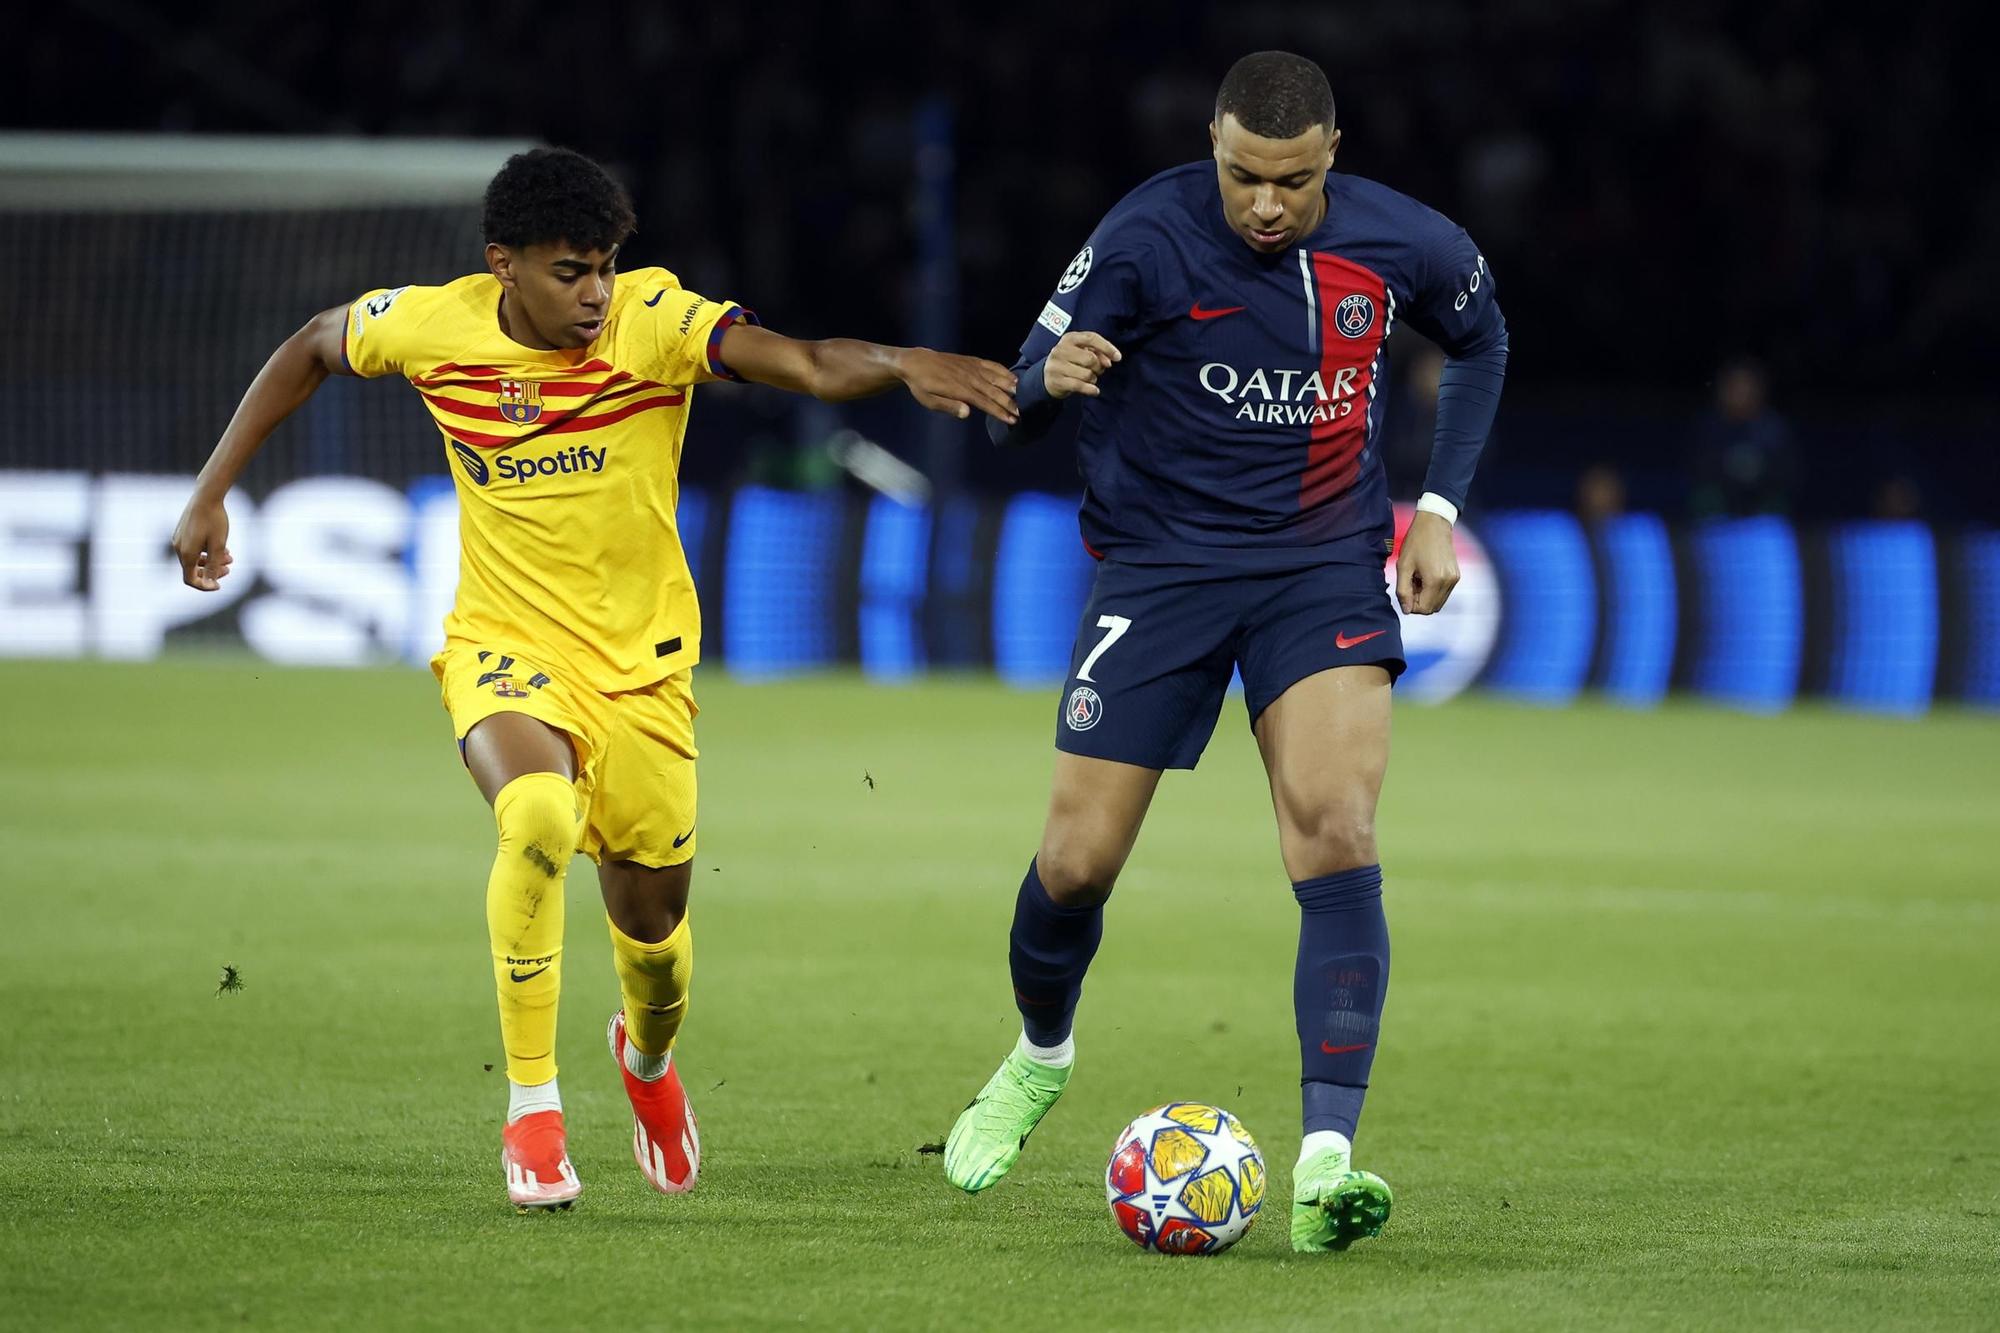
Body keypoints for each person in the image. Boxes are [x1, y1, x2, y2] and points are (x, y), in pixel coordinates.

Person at [172, 147, 1017, 1212]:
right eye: (570, 270)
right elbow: (310, 346)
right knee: (532, 816)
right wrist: (212, 494)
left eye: (605, 267)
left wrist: (898, 361)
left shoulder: (652, 322)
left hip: (642, 675)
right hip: (504, 647)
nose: (594, 292)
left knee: (654, 943)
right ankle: (531, 1108)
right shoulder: (435, 325)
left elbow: (797, 362)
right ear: (503, 266)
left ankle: (648, 1065)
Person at [943, 52, 1507, 1254]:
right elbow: (1012, 395)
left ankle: (1323, 1162)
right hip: (1159, 568)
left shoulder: (1406, 243)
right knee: (1075, 864)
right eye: (1243, 175)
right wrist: (1050, 374)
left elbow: (1482, 341)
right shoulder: (1142, 234)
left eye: (1291, 182)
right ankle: (1039, 1056)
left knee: (1335, 829)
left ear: (1330, 157)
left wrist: (1439, 512)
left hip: (1317, 567)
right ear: (1212, 145)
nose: (1264, 204)